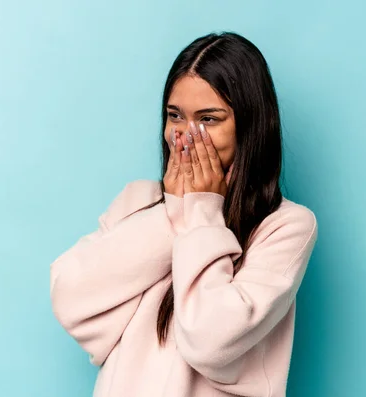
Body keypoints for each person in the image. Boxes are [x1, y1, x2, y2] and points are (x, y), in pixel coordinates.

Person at [50, 31, 318, 397]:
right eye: (175, 116)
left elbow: (209, 341)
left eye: (208, 119)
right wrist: (173, 212)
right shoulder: (137, 200)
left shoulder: (285, 226)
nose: (185, 137)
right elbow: (71, 300)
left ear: (250, 127)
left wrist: (203, 209)